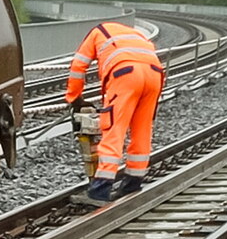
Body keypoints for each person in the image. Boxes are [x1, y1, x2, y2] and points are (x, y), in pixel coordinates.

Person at [65, 20, 165, 205]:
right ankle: (132, 184)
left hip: (125, 75)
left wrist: (74, 98)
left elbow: (78, 67)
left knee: (113, 130)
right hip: (155, 75)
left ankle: (99, 191)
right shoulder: (135, 35)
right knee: (142, 130)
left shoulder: (97, 32)